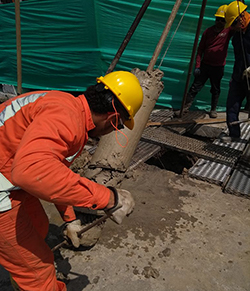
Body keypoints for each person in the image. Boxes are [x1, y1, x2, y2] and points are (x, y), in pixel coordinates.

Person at [0, 70, 143, 290]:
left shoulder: (67, 106)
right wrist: (109, 199)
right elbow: (31, 170)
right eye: (119, 125)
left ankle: (19, 278)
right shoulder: (66, 119)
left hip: (8, 174)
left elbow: (54, 170)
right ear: (113, 118)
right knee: (39, 270)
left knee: (39, 227)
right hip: (6, 185)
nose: (113, 131)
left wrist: (69, 219)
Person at [180, 4, 234, 118]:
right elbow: (200, 49)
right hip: (205, 65)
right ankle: (185, 108)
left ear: (226, 21)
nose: (220, 22)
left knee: (215, 89)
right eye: (218, 19)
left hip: (218, 67)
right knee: (195, 87)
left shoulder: (228, 31)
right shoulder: (208, 32)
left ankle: (213, 109)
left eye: (222, 20)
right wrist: (198, 66)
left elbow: (237, 24)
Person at [221, 1, 250, 142]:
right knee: (232, 104)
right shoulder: (237, 37)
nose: (233, 27)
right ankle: (234, 134)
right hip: (239, 76)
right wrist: (234, 76)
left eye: (234, 23)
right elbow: (238, 57)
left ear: (241, 18)